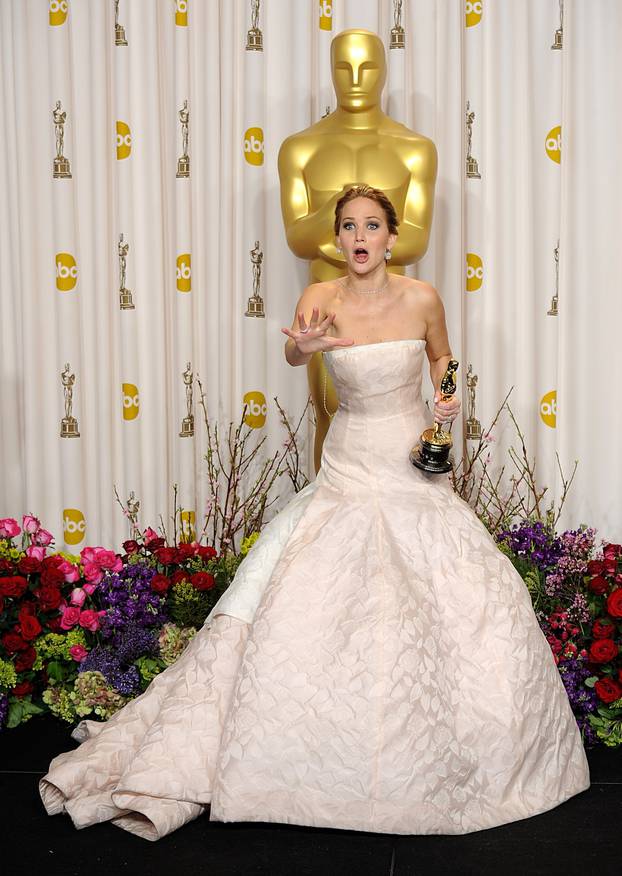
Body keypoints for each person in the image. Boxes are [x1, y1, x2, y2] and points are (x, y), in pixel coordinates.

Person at [40, 185, 590, 841]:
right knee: (318, 588)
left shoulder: (422, 298)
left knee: (454, 591)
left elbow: (443, 357)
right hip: (352, 457)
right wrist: (301, 347)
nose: (361, 237)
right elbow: (296, 353)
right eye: (350, 226)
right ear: (338, 239)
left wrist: (445, 401)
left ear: (392, 236)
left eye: (373, 225)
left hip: (414, 456)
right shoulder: (320, 299)